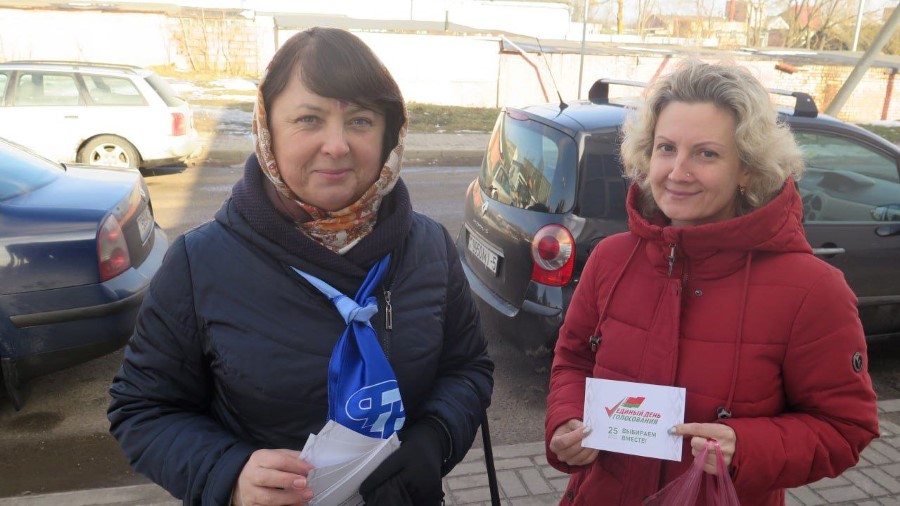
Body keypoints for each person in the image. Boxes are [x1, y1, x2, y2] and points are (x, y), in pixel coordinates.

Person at [108, 27, 493, 506]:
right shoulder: (198, 263)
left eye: (360, 120)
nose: (337, 145)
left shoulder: (430, 247)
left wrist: (437, 436)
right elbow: (142, 408)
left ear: (389, 133)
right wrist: (229, 473)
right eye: (309, 119)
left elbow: (468, 368)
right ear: (267, 129)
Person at [545, 59, 879, 505]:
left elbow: (846, 427)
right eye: (666, 148)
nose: (677, 172)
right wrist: (566, 419)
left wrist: (748, 446)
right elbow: (572, 360)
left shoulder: (813, 289)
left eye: (707, 153)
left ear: (747, 168)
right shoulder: (611, 258)